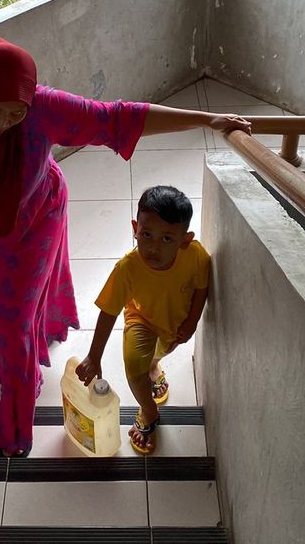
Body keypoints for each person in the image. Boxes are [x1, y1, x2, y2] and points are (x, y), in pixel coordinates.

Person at [0, 37, 247, 457]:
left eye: (13, 112)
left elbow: (117, 117)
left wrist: (207, 119)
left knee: (10, 328)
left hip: (39, 216)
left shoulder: (41, 109)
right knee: (0, 320)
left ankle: (17, 423)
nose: (1, 122)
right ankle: (23, 363)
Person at [76, 185, 208, 455]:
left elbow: (202, 287)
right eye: (146, 234)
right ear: (135, 228)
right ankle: (149, 412)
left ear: (185, 239)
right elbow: (109, 311)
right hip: (142, 319)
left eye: (167, 239)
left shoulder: (196, 256)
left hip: (174, 324)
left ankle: (154, 367)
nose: (153, 247)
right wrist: (94, 356)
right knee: (135, 364)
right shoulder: (128, 268)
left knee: (160, 353)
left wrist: (193, 322)